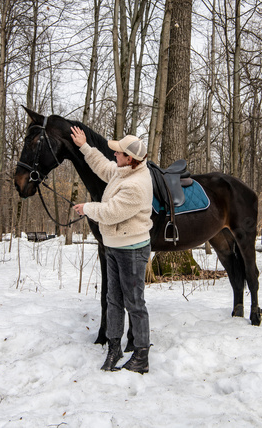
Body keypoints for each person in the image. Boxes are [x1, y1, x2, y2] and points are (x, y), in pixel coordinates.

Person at [71, 126, 153, 374]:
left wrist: (87, 208)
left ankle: (141, 356)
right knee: (113, 301)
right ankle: (114, 347)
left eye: (118, 153)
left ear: (130, 158)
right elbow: (103, 167)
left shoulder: (137, 183)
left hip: (132, 250)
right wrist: (84, 146)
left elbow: (111, 212)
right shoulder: (123, 171)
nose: (114, 155)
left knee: (135, 304)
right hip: (115, 247)